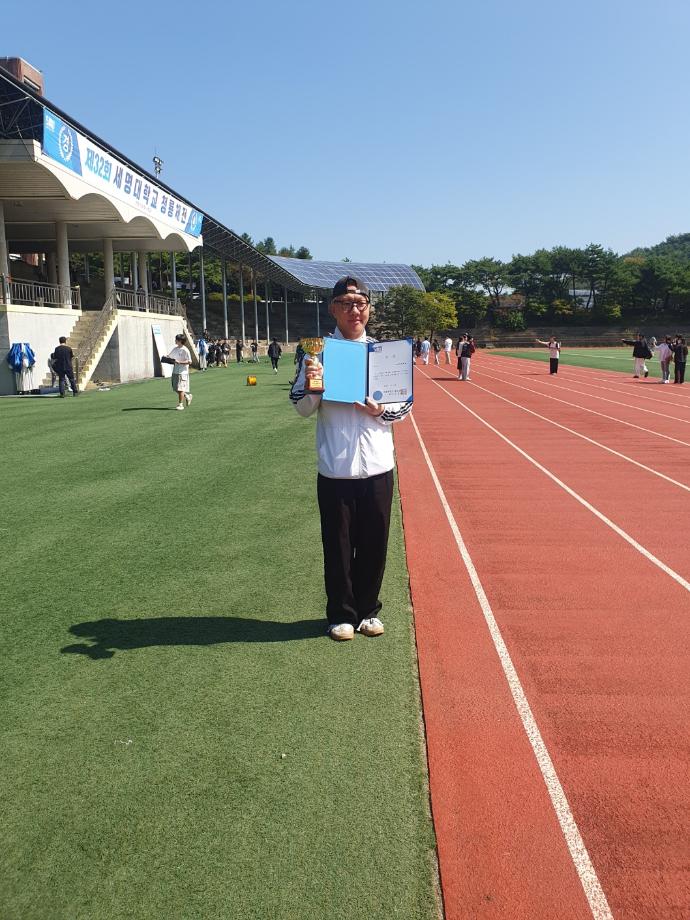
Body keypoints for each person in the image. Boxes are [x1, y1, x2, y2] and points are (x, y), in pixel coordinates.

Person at [289, 276, 412, 642]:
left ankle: (368, 610)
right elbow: (302, 408)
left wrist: (381, 411)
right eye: (345, 303)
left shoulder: (384, 354)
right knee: (338, 546)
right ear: (333, 309)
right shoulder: (316, 354)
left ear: (368, 309)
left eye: (360, 303)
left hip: (378, 466)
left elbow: (404, 405)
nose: (354, 310)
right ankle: (341, 615)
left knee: (375, 544)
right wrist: (315, 386)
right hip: (336, 468)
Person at [168, 333, 193, 410]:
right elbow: (170, 356)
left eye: (176, 339)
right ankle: (187, 396)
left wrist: (179, 362)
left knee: (180, 389)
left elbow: (190, 361)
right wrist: (166, 358)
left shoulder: (185, 350)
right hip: (175, 371)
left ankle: (180, 405)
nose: (175, 340)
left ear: (180, 341)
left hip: (182, 372)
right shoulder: (175, 349)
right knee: (175, 388)